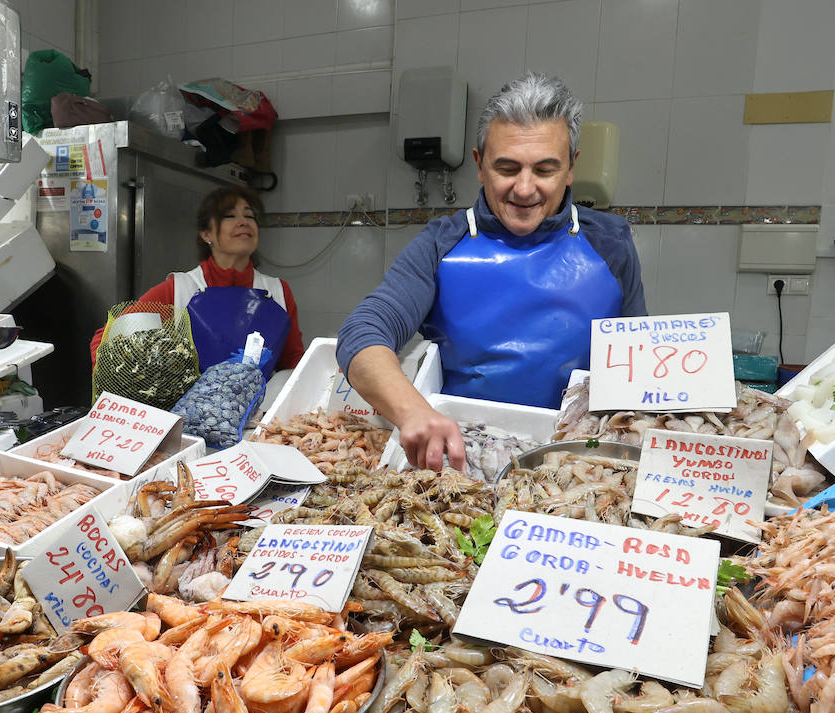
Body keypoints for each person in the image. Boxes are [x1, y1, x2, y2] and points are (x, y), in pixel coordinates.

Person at [337, 72, 647, 471]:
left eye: (545, 170)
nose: (524, 188)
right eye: (507, 168)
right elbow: (362, 332)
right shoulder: (440, 243)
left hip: (578, 461)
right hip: (464, 457)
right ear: (480, 165)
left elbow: (639, 361)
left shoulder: (612, 242)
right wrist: (412, 410)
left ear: (571, 168)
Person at [89, 185, 305, 374]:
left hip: (259, 418)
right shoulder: (179, 290)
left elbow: (293, 362)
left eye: (249, 216)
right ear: (206, 234)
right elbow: (107, 339)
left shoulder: (278, 291)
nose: (243, 222)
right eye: (230, 216)